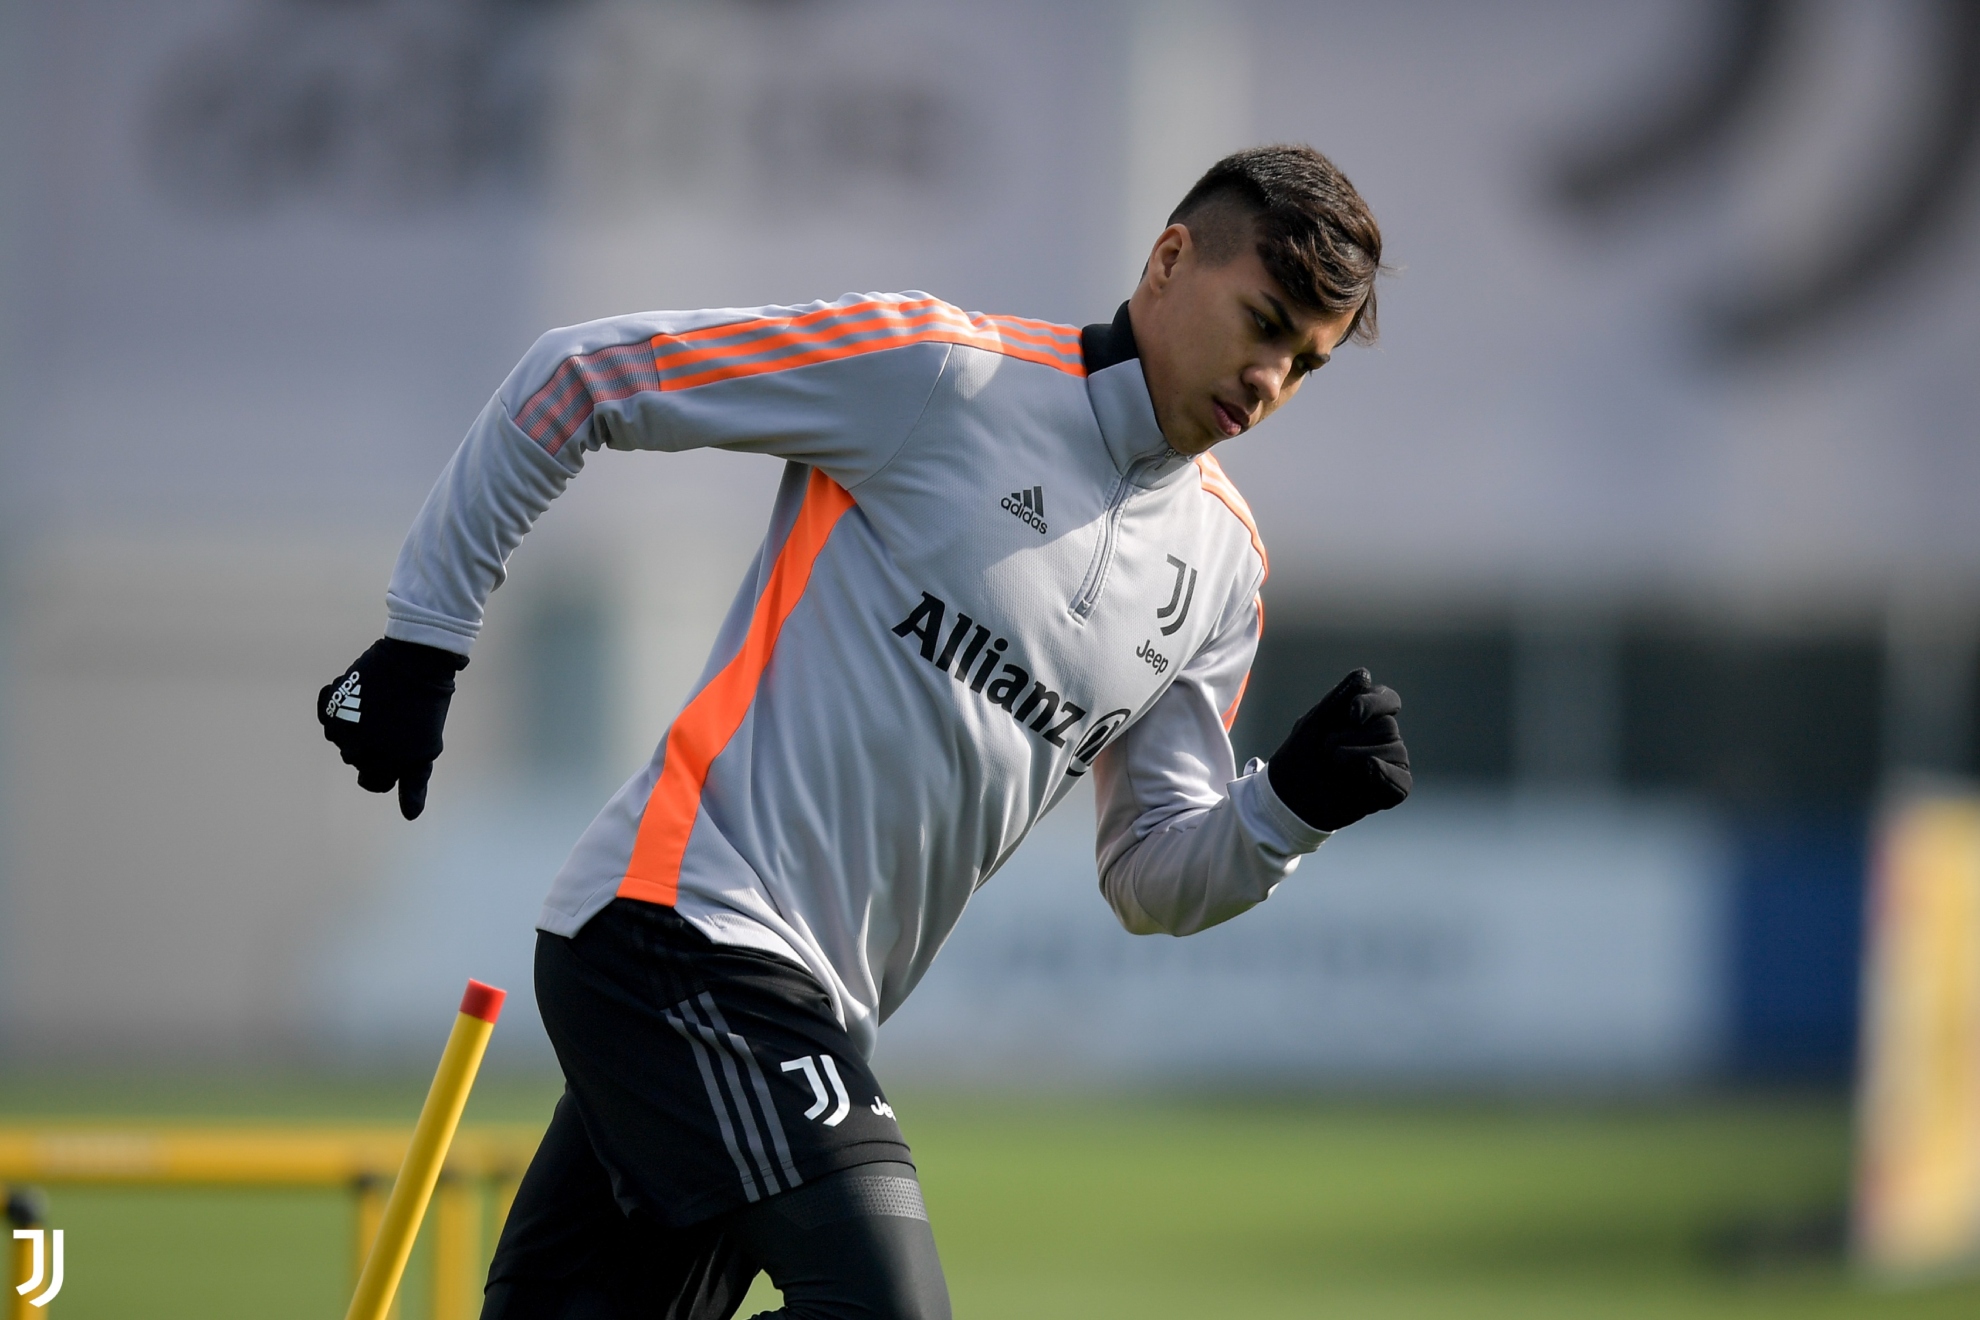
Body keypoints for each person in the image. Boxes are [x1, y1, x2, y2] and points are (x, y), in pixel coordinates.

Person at [317, 143, 1412, 1320]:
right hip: (676, 931)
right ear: (1168, 258)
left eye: (1304, 364)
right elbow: (581, 376)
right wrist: (425, 631)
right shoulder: (943, 374)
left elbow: (1149, 877)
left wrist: (1283, 809)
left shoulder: (1223, 570)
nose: (1269, 381)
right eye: (1264, 323)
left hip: (809, 1008)